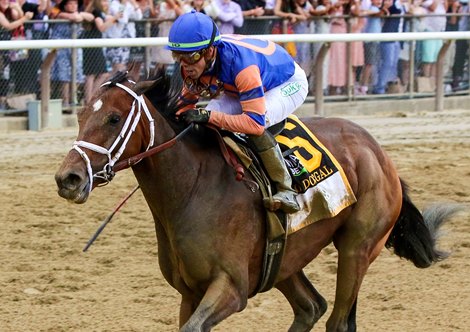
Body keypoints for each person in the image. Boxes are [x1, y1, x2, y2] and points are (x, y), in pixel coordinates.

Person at [166, 10, 309, 213]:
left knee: (253, 123)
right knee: (208, 119)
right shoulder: (193, 64)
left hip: (285, 83)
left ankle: (285, 187)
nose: (184, 65)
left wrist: (210, 116)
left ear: (209, 52)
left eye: (190, 57)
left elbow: (254, 124)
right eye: (178, 57)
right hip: (239, 86)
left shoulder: (243, 67)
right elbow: (184, 107)